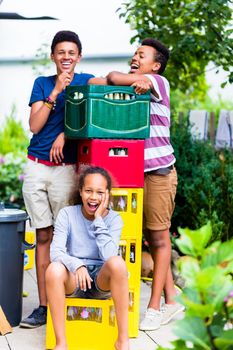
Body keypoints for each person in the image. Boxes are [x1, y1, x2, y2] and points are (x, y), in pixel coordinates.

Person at [89, 38, 184, 330]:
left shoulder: (158, 82)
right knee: (150, 240)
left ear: (155, 65)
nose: (135, 57)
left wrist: (125, 78)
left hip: (158, 173)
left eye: (141, 55)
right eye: (134, 54)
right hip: (134, 174)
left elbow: (115, 77)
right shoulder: (137, 84)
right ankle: (170, 302)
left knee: (160, 239)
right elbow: (99, 81)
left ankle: (154, 308)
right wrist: (118, 79)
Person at [20, 30, 95, 328]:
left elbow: (106, 90)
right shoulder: (42, 84)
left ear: (79, 57)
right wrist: (54, 94)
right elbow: (35, 126)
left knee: (65, 237)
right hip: (37, 166)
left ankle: (65, 300)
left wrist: (67, 133)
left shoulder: (86, 79)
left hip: (66, 168)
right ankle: (43, 305)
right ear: (53, 56)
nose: (66, 57)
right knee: (43, 236)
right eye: (61, 52)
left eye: (71, 52)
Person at [45, 166, 129, 350]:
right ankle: (61, 343)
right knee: (53, 269)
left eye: (100, 192)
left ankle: (122, 341)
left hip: (101, 281)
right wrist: (78, 265)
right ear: (81, 192)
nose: (93, 197)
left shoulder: (114, 219)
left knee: (117, 263)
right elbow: (56, 252)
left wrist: (98, 219)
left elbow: (108, 256)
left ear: (107, 195)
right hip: (74, 278)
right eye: (89, 191)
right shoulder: (67, 214)